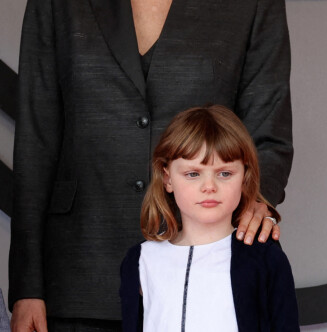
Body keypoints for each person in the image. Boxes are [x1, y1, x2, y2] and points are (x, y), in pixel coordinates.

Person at [9, 0, 292, 332]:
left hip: (206, 272)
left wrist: (263, 200)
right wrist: (27, 285)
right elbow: (37, 141)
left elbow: (269, 131)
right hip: (78, 274)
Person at [120, 104, 299, 331]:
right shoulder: (140, 261)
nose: (209, 187)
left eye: (224, 173)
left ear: (245, 177)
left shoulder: (266, 259)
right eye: (193, 174)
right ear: (168, 179)